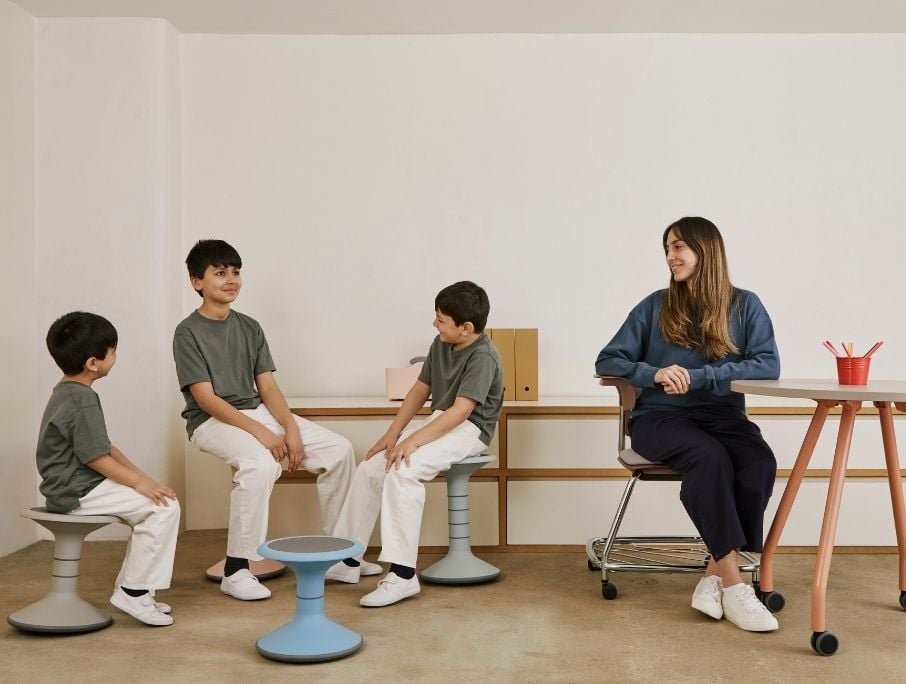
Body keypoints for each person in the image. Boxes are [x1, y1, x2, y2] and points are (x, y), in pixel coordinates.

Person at [595, 216, 780, 632]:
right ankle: (735, 587)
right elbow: (608, 360)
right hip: (659, 418)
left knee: (758, 463)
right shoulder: (655, 305)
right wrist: (654, 374)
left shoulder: (745, 304)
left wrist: (700, 377)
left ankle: (712, 573)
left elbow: (768, 364)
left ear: (705, 250)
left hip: (721, 414)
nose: (670, 256)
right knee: (708, 457)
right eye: (667, 248)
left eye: (678, 247)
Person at [173, 239, 372, 601]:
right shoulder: (188, 332)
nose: (231, 279)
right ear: (196, 282)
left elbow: (268, 388)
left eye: (235, 272)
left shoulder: (249, 327)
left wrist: (291, 429)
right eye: (220, 273)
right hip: (211, 421)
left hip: (256, 412)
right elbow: (206, 399)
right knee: (260, 465)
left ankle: (343, 556)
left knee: (339, 450)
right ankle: (237, 570)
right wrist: (264, 434)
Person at [325, 281, 503, 607]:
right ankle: (347, 559)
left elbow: (462, 411)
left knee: (404, 470)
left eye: (441, 319)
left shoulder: (484, 356)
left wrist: (414, 442)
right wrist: (393, 434)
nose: (435, 324)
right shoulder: (440, 344)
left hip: (469, 428)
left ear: (465, 328)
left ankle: (403, 576)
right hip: (439, 420)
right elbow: (420, 390)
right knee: (372, 467)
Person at [37, 311, 180, 626]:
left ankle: (135, 588)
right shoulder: (82, 400)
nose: (116, 356)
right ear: (93, 363)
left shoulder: (67, 391)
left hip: (71, 486)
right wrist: (140, 486)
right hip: (76, 492)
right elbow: (96, 460)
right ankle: (133, 591)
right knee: (163, 508)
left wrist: (142, 479)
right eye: (113, 351)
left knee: (157, 502)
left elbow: (104, 447)